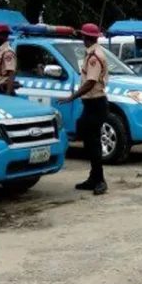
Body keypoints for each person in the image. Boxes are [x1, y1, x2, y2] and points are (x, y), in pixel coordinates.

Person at [58, 24, 109, 195]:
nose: (82, 39)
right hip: (93, 104)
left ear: (87, 38)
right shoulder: (93, 53)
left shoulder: (94, 56)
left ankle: (99, 179)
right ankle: (94, 178)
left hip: (96, 103)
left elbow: (91, 82)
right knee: (87, 138)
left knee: (92, 142)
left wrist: (72, 97)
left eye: (83, 36)